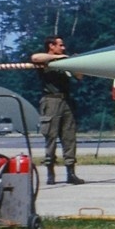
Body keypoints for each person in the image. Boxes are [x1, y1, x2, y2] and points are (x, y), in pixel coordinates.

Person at [30, 35, 83, 184]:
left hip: (66, 100)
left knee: (69, 137)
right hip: (50, 100)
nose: (63, 48)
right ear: (51, 46)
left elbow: (79, 76)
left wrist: (75, 63)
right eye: (60, 45)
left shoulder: (65, 62)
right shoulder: (45, 60)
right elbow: (35, 57)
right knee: (51, 137)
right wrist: (58, 58)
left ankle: (70, 172)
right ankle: (50, 173)